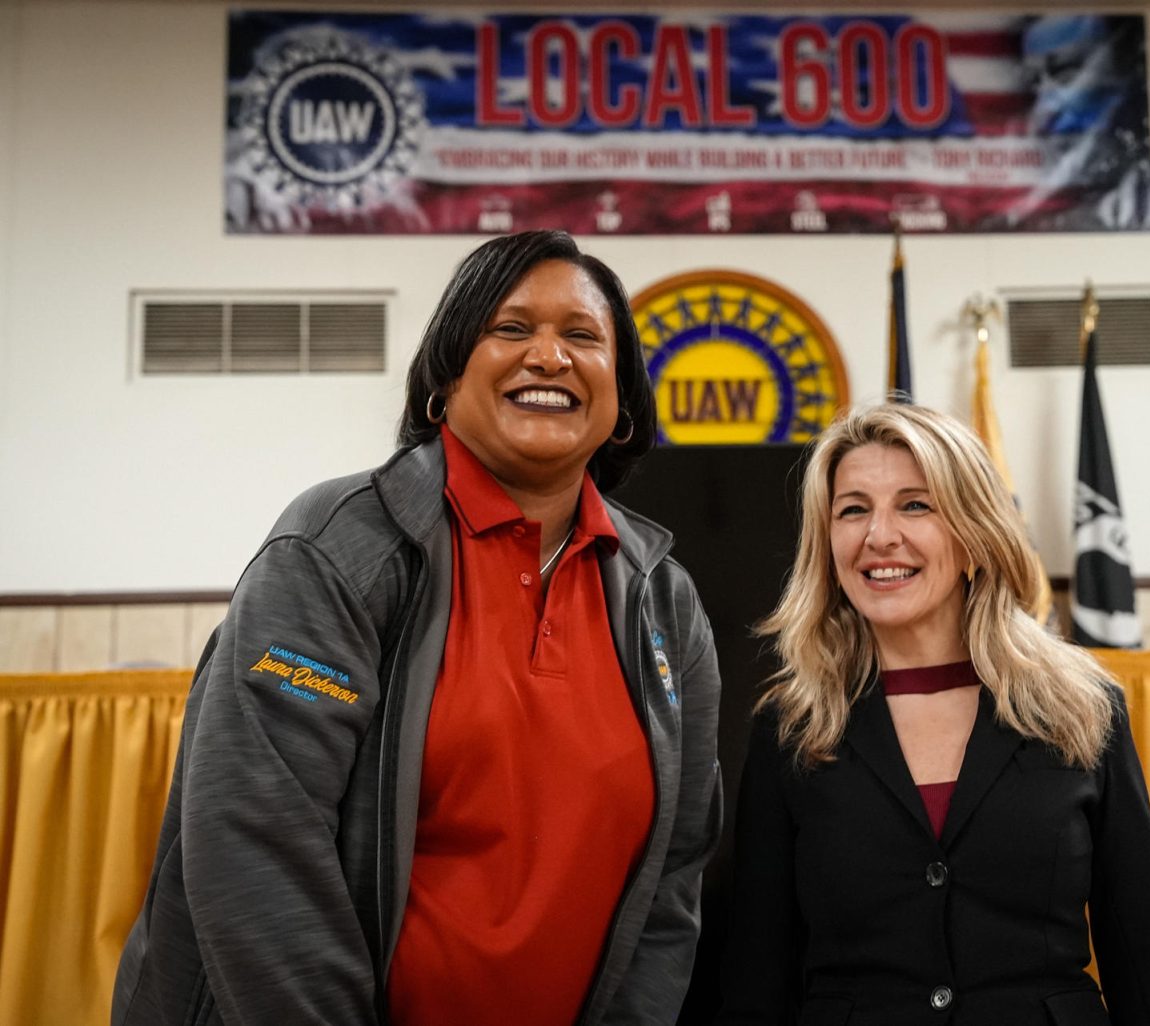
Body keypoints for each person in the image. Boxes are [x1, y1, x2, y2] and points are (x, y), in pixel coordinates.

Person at [113, 230, 722, 1026]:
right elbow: (256, 847)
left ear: (621, 403)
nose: (549, 356)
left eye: (582, 336)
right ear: (445, 378)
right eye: (510, 329)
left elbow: (672, 881)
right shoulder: (336, 550)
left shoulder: (664, 603)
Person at [716, 403, 1150, 1026]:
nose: (880, 535)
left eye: (915, 505)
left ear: (974, 532)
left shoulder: (1081, 708)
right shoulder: (790, 728)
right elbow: (757, 978)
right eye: (853, 509)